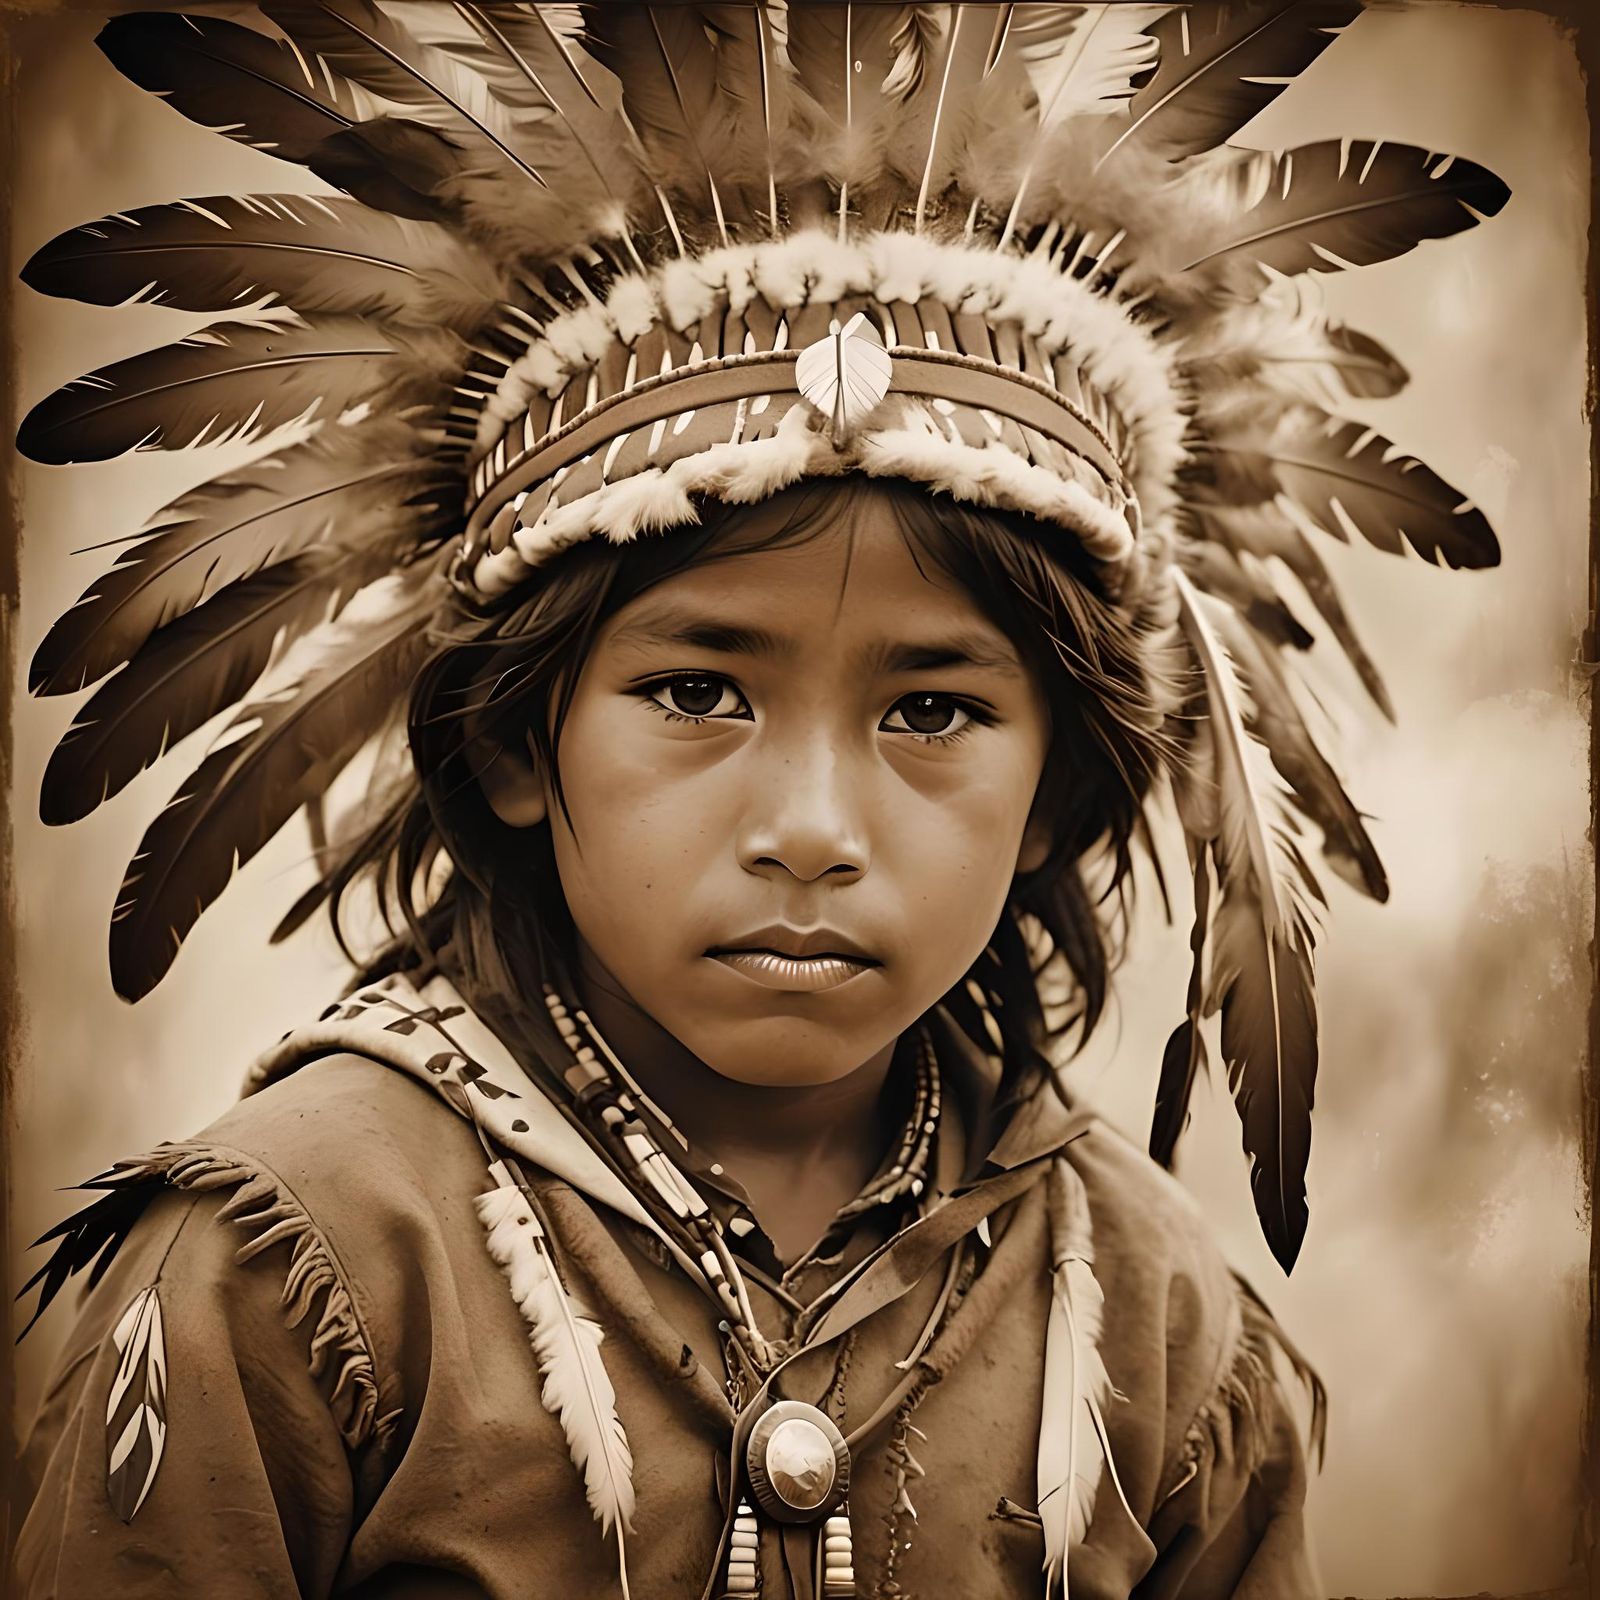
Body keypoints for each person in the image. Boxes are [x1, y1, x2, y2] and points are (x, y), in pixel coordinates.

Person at [10, 5, 1507, 1597]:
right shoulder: (292, 1273)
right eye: (699, 691)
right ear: (518, 743)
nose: (811, 825)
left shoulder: (1157, 1333)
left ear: (1060, 782)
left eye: (933, 711)